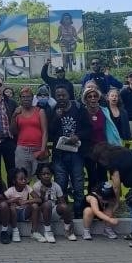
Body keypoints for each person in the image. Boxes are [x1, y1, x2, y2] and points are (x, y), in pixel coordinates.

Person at [49, 86, 90, 221]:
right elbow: (49, 132)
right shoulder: (54, 110)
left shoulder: (79, 108)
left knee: (78, 184)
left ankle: (78, 215)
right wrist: (56, 118)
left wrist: (78, 136)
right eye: (58, 95)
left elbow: (88, 128)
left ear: (68, 95)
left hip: (76, 154)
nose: (61, 98)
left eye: (63, 95)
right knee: (60, 185)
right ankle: (63, 214)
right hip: (59, 154)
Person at [79, 86, 122, 191]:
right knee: (92, 176)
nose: (93, 98)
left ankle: (104, 200)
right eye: (90, 97)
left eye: (95, 96)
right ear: (86, 99)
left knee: (103, 176)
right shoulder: (82, 112)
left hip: (103, 148)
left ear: (98, 98)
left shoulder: (104, 111)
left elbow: (111, 128)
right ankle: (92, 200)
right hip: (89, 149)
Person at [11, 87, 48, 178]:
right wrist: (13, 116)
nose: (26, 99)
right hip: (22, 149)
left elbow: (45, 131)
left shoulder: (40, 111)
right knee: (22, 177)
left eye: (28, 97)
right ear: (20, 99)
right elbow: (13, 131)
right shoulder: (18, 112)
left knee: (39, 178)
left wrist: (43, 149)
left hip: (38, 148)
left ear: (32, 98)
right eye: (23, 97)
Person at [32, 163, 73, 243]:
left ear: (52, 174)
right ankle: (48, 231)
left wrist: (68, 217)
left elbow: (62, 202)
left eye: (48, 173)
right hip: (41, 213)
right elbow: (36, 205)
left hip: (53, 213)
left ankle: (67, 230)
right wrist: (42, 194)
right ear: (39, 176)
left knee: (65, 206)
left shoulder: (56, 186)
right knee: (47, 204)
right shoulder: (36, 186)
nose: (46, 176)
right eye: (43, 174)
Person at [3, 168, 40, 244]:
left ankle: (34, 232)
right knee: (12, 208)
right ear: (14, 181)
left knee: (35, 206)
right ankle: (15, 231)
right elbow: (3, 202)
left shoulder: (27, 187)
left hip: (24, 213)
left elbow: (39, 199)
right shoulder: (11, 190)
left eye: (25, 178)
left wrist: (26, 201)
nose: (24, 181)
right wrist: (13, 200)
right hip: (13, 214)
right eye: (21, 179)